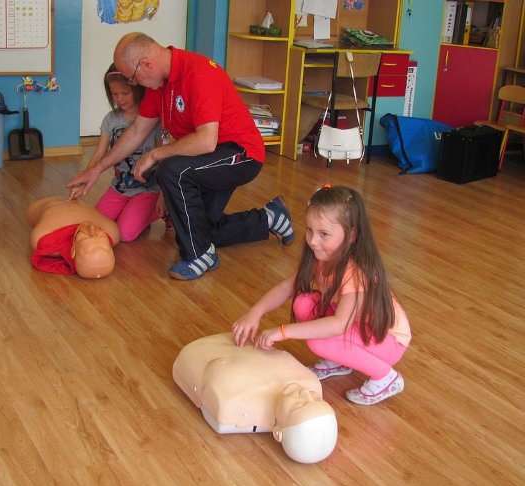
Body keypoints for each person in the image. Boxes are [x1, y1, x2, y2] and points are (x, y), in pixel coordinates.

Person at [66, 32, 295, 281]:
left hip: (241, 154)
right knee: (199, 230)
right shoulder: (159, 84)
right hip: (209, 156)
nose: (135, 84)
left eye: (132, 78)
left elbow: (206, 140)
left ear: (146, 64)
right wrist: (96, 169)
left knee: (172, 170)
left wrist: (155, 154)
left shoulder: (199, 74)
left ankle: (199, 255)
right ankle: (270, 218)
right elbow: (137, 131)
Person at [232, 185, 411, 405]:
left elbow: (338, 325)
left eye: (323, 234)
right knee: (304, 303)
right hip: (359, 325)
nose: (313, 241)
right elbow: (287, 287)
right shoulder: (323, 257)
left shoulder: (355, 272)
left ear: (351, 235)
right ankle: (340, 359)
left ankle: (386, 378)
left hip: (389, 341)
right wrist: (255, 312)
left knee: (319, 341)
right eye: (309, 230)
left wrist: (283, 332)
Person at [173, 332, 337, 463]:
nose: (305, 393)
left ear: (277, 432)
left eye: (299, 405)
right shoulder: (311, 382)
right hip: (241, 340)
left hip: (199, 349)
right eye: (317, 399)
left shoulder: (233, 401)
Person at [84, 63, 165, 242]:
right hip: (119, 188)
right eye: (114, 94)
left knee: (124, 234)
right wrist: (84, 179)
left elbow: (163, 161)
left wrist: (163, 195)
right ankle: (135, 213)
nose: (119, 99)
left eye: (125, 93)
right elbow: (99, 153)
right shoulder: (110, 120)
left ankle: (155, 213)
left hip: (148, 190)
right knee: (94, 224)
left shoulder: (155, 120)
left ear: (138, 88)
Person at [27, 196, 121, 278]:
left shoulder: (44, 238)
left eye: (86, 237)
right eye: (101, 235)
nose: (91, 228)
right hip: (79, 199)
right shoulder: (112, 231)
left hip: (46, 202)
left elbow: (34, 213)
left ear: (73, 251)